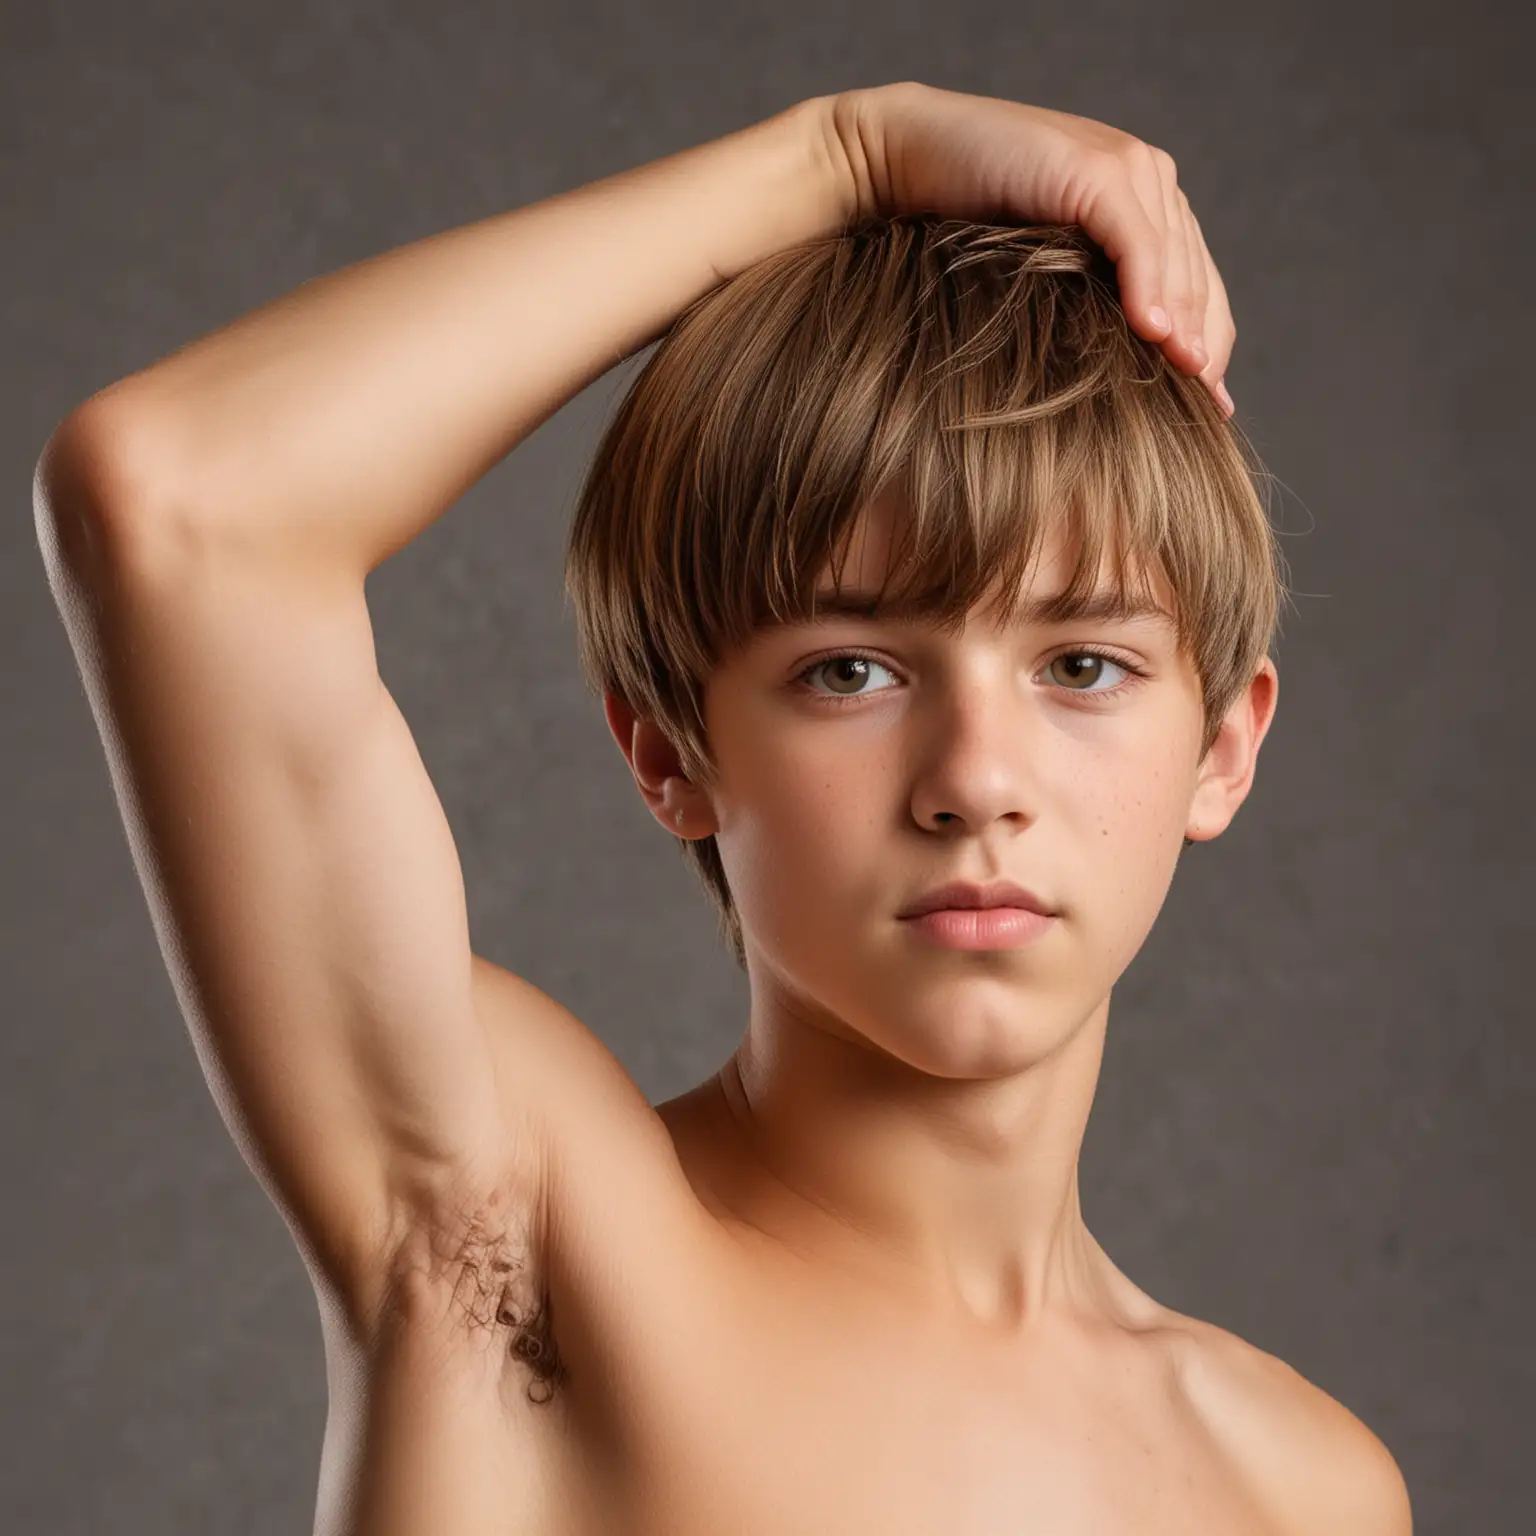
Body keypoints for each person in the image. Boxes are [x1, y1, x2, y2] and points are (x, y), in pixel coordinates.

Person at [34, 81, 1412, 1534]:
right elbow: (181, 505)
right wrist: (839, 156)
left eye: (1082, 665)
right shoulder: (527, 1241)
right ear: (668, 747)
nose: (977, 782)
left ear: (1223, 747)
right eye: (852, 671)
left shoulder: (1300, 1488)